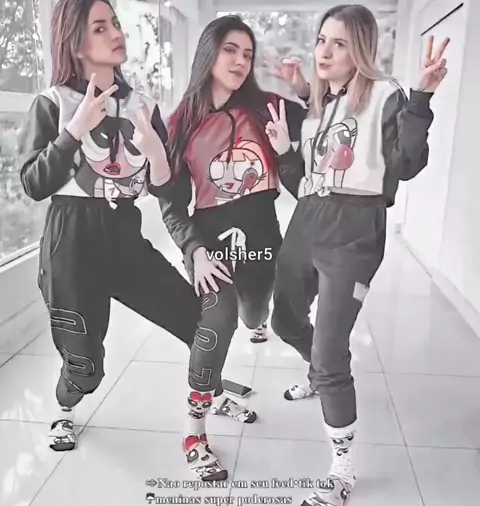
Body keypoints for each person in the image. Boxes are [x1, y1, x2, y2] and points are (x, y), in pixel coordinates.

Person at [16, 0, 232, 453]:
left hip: (124, 235)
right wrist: (74, 130)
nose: (116, 33)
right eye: (100, 27)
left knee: (199, 323)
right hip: (70, 244)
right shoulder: (52, 104)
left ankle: (211, 391)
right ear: (75, 43)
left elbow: (166, 190)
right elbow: (34, 184)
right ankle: (65, 408)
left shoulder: (143, 106)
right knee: (86, 369)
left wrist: (156, 154)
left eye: (115, 23)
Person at [264, 4, 449, 506]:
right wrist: (285, 149)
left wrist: (422, 98)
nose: (324, 51)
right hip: (308, 221)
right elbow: (303, 183)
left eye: (339, 43)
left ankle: (341, 469)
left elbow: (407, 164)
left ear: (361, 49)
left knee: (331, 355)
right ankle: (317, 373)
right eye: (321, 40)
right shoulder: (320, 107)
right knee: (284, 320)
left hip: (356, 231)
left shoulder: (387, 94)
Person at [150, 15, 307, 481]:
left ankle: (256, 323)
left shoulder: (270, 107)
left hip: (263, 240)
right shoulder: (181, 123)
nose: (240, 61)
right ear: (208, 53)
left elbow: (333, 111)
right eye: (230, 50)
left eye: (248, 54)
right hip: (211, 242)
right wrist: (194, 251)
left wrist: (304, 89)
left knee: (255, 315)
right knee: (218, 321)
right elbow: (171, 205)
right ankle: (194, 431)